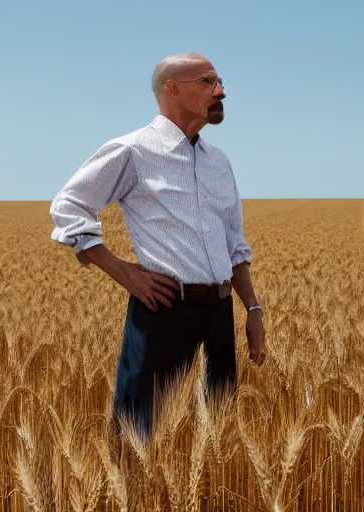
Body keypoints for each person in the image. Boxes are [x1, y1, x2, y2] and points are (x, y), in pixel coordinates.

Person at [49, 52, 266, 437]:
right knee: (140, 435)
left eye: (220, 81)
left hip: (219, 313)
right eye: (208, 82)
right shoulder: (133, 150)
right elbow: (69, 205)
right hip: (163, 311)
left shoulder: (219, 162)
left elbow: (235, 243)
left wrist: (252, 308)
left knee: (218, 435)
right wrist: (122, 271)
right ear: (173, 89)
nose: (221, 91)